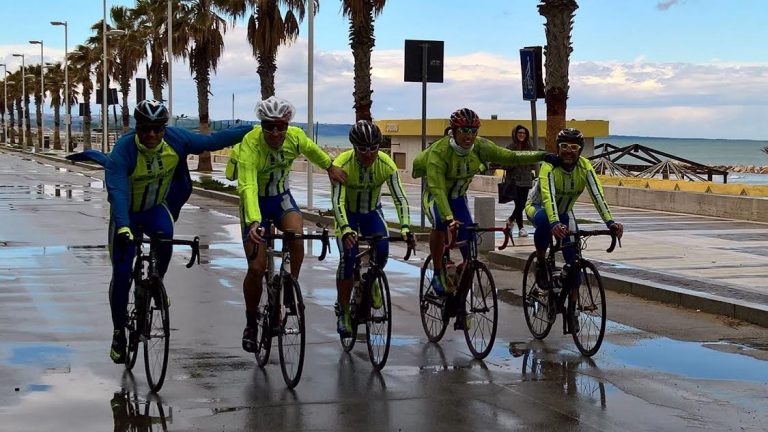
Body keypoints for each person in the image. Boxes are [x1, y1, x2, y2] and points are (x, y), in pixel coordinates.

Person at [67, 99, 252, 364]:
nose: (152, 134)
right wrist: (122, 227)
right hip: (127, 213)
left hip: (155, 209)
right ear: (137, 128)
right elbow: (117, 192)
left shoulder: (176, 139)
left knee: (165, 240)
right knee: (121, 273)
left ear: (165, 128)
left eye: (157, 128)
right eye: (145, 129)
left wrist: (255, 128)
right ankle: (119, 333)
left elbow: (213, 141)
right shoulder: (123, 150)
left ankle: (155, 284)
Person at [237, 96, 347, 353]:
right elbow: (248, 186)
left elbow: (312, 150)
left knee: (296, 235)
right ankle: (251, 323)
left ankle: (290, 286)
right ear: (261, 125)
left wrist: (330, 166)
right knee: (256, 267)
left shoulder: (295, 136)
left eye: (280, 126)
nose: (275, 132)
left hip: (280, 198)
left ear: (287, 125)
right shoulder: (249, 145)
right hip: (256, 202)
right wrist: (254, 222)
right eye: (269, 126)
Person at [412, 107, 555, 296]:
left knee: (469, 234)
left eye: (473, 131)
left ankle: (464, 273)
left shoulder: (480, 147)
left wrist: (542, 155)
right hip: (435, 196)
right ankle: (438, 270)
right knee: (440, 222)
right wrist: (448, 218)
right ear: (454, 131)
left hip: (457, 197)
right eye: (464, 131)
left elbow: (510, 157)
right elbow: (437, 189)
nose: (468, 136)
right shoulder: (439, 152)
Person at [331, 120, 412, 336]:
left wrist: (405, 226)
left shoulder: (386, 165)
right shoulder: (342, 163)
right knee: (348, 256)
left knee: (383, 250)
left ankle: (372, 278)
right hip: (347, 213)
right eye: (363, 149)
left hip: (371, 213)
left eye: (374, 148)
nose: (369, 153)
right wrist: (346, 229)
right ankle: (344, 310)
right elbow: (337, 201)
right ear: (354, 148)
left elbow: (400, 198)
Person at [524, 127, 624, 290]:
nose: (568, 151)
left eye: (573, 148)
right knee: (544, 220)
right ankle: (541, 263)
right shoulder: (549, 166)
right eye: (564, 146)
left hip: (564, 213)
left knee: (574, 259)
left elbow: (597, 195)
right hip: (537, 207)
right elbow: (548, 196)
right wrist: (554, 222)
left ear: (580, 150)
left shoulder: (585, 167)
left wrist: (610, 222)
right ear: (558, 148)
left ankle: (572, 309)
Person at [504, 125, 536, 237]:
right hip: (514, 180)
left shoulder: (529, 148)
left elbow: (533, 163)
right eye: (519, 133)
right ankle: (521, 227)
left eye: (524, 133)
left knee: (522, 204)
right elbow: (505, 165)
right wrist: (515, 162)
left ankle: (511, 220)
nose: (522, 135)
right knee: (519, 204)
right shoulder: (510, 148)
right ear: (515, 134)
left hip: (526, 180)